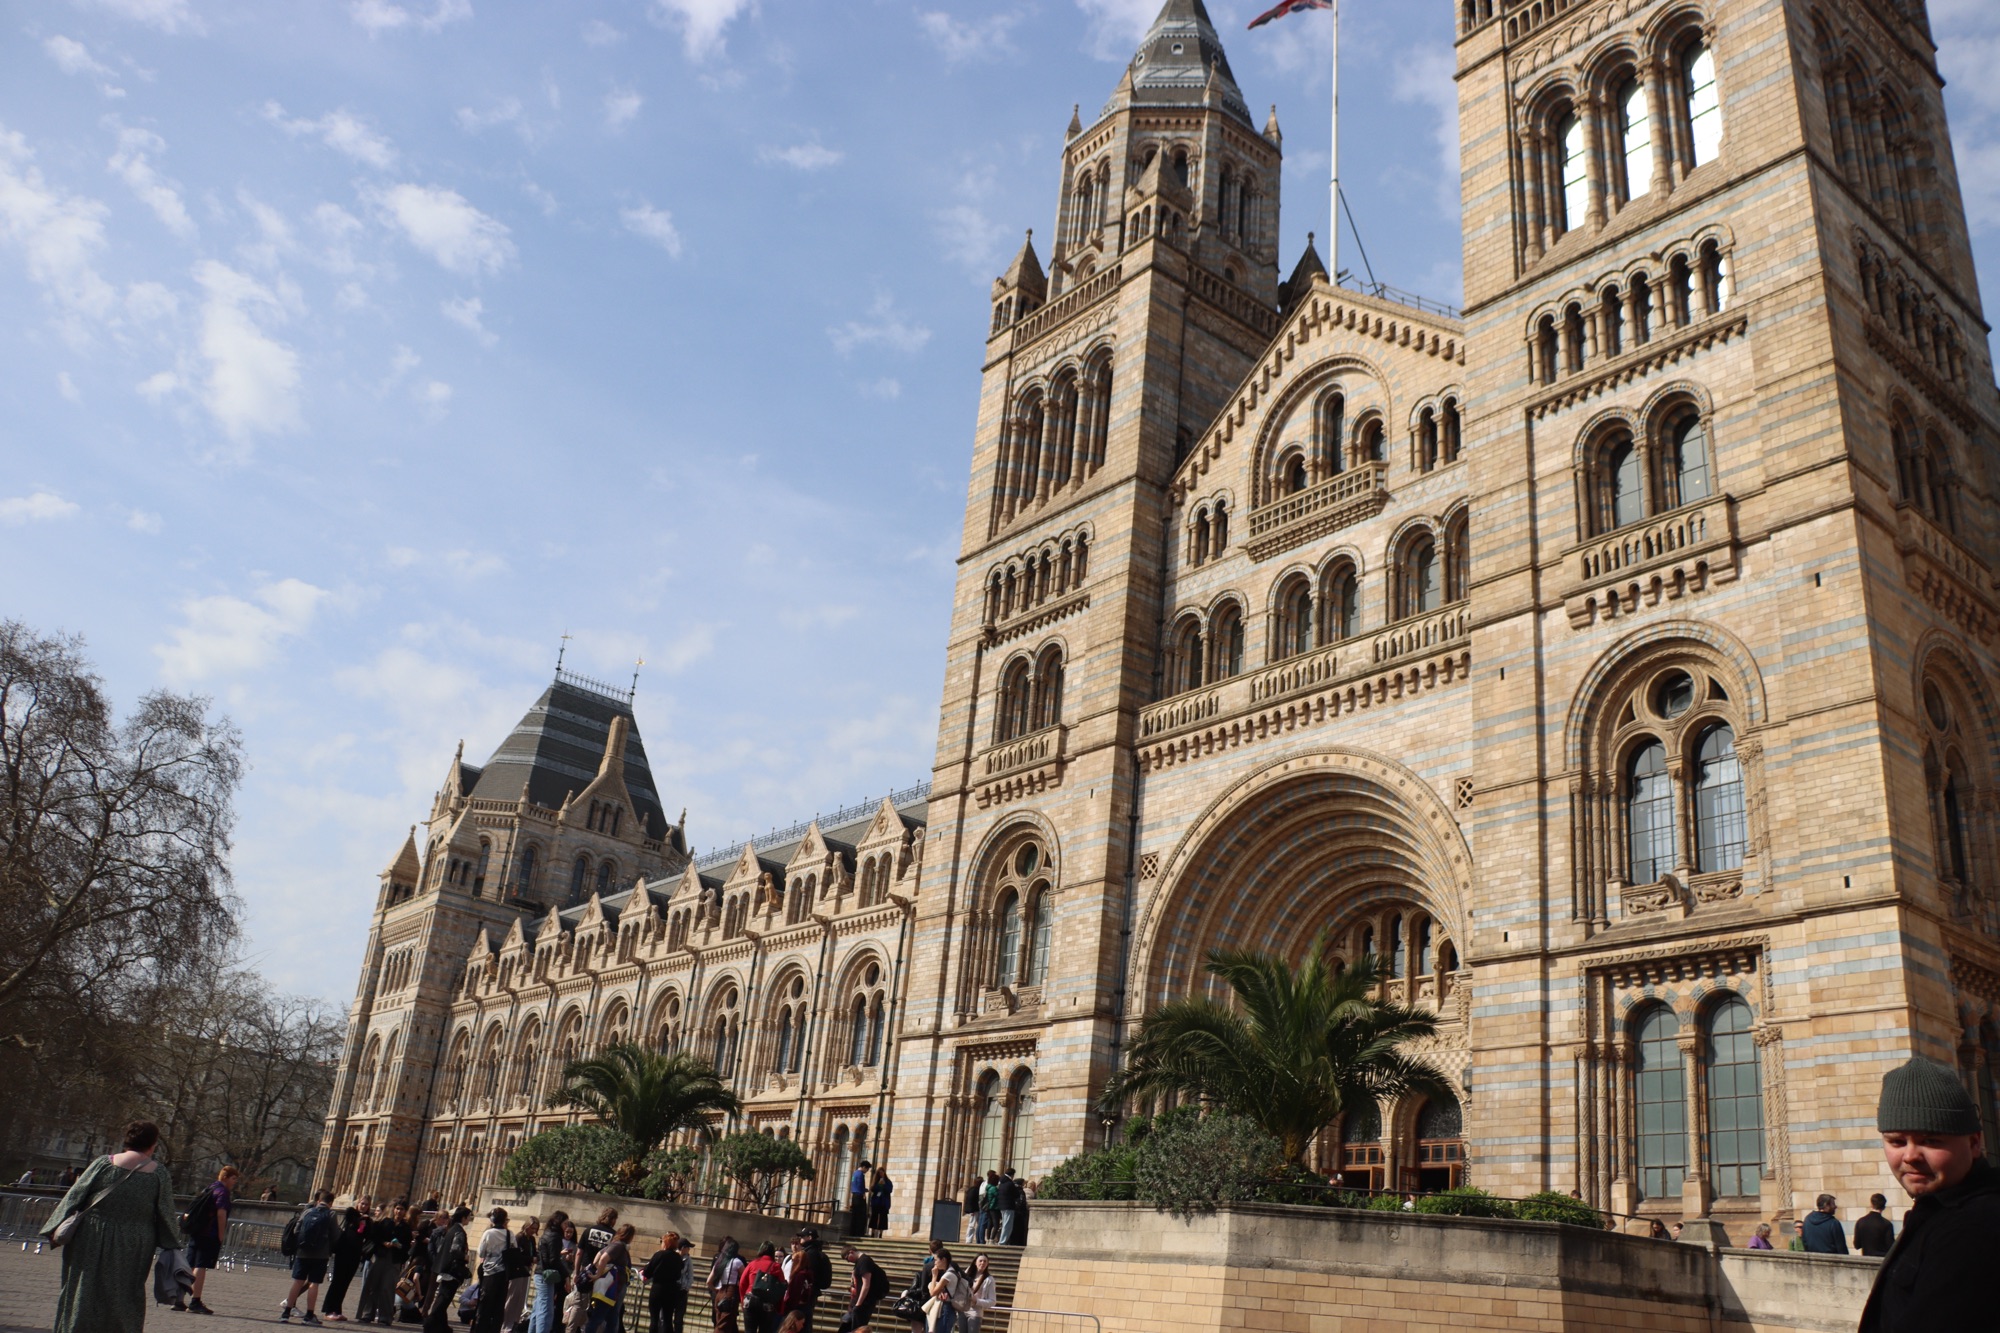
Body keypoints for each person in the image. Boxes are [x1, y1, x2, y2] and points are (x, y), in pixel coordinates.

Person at [1860, 1054, 2000, 1331]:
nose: (1910, 1155)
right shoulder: (1938, 1211)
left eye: (1931, 1140)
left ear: (1974, 1143)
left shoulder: (1975, 1228)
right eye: (1897, 1141)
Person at [39, 1119, 181, 1333]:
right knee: (125, 1292)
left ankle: (76, 1326)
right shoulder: (158, 1174)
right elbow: (166, 1214)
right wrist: (172, 1244)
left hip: (92, 1234)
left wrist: (54, 1228)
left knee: (82, 1287)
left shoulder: (103, 1164)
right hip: (134, 1242)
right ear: (153, 1144)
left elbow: (74, 1196)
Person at [177, 1162, 238, 1315]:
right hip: (209, 1233)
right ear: (226, 1178)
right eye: (233, 1179)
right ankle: (195, 1301)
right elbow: (221, 1214)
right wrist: (221, 1235)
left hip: (197, 1231)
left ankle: (178, 1299)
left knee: (190, 1265)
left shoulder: (209, 1188)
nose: (234, 1183)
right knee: (201, 1266)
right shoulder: (222, 1192)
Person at [285, 1189, 340, 1324]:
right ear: (331, 1203)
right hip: (320, 1255)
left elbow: (296, 1230)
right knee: (314, 1283)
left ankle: (286, 1312)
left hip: (302, 1253)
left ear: (318, 1201)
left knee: (297, 1282)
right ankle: (309, 1315)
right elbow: (335, 1236)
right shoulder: (331, 1214)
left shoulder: (308, 1211)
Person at [357, 1199, 411, 1326]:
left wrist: (399, 1247)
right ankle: (367, 1314)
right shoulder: (385, 1222)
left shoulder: (406, 1228)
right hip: (380, 1255)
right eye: (397, 1208)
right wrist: (383, 1243)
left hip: (394, 1259)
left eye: (402, 1209)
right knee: (372, 1285)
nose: (399, 1211)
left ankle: (385, 1317)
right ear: (394, 1209)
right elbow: (374, 1236)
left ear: (405, 1212)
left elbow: (407, 1247)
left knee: (388, 1288)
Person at [325, 1194, 375, 1321]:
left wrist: (367, 1222)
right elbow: (351, 1220)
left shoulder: (368, 1221)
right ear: (358, 1203)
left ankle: (337, 1309)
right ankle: (329, 1309)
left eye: (366, 1204)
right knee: (337, 1281)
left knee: (345, 1283)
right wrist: (361, 1219)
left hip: (355, 1253)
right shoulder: (351, 1212)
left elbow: (369, 1235)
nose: (363, 1206)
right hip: (343, 1251)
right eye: (362, 1203)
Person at [424, 1206, 474, 1333]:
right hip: (452, 1270)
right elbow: (455, 1250)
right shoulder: (458, 1231)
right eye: (468, 1216)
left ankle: (442, 1326)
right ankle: (430, 1323)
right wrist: (465, 1257)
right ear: (463, 1217)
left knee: (442, 1298)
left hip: (444, 1268)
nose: (469, 1219)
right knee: (443, 1299)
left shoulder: (451, 1229)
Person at [584, 1224, 635, 1333]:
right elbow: (603, 1258)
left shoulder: (614, 1244)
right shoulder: (619, 1246)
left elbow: (599, 1254)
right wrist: (597, 1274)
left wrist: (595, 1268)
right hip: (610, 1287)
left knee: (612, 1319)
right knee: (598, 1317)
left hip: (613, 1287)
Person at [472, 1207, 514, 1333]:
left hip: (490, 1272)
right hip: (504, 1273)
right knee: (499, 1306)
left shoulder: (488, 1233)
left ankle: (481, 1329)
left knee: (485, 1305)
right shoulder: (509, 1234)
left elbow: (481, 1252)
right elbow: (514, 1250)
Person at [530, 1210, 570, 1333]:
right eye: (565, 1223)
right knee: (546, 1310)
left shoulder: (547, 1233)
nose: (566, 1225)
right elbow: (554, 1260)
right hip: (546, 1274)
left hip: (540, 1273)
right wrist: (566, 1275)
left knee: (538, 1308)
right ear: (559, 1222)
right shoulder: (555, 1236)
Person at [739, 1241, 785, 1333]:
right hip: (767, 1303)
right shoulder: (775, 1266)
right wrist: (779, 1307)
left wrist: (742, 1300)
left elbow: (742, 1283)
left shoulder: (752, 1264)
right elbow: (781, 1287)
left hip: (750, 1300)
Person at [840, 1243, 886, 1333]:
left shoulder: (865, 1261)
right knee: (847, 1326)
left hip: (864, 1303)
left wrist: (858, 1304)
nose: (848, 1261)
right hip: (858, 1303)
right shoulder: (859, 1262)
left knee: (857, 1328)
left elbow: (866, 1284)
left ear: (851, 1252)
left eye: (847, 1258)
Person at [645, 1231, 685, 1333]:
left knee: (654, 1319)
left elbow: (647, 1272)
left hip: (658, 1288)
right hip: (672, 1289)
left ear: (665, 1243)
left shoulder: (659, 1255)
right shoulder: (678, 1258)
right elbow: (679, 1273)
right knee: (668, 1319)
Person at [709, 1237, 744, 1333]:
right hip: (730, 1292)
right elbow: (744, 1279)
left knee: (721, 1321)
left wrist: (715, 1290)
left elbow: (709, 1281)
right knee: (723, 1326)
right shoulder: (737, 1262)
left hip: (720, 1292)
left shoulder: (719, 1262)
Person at [961, 1255, 996, 1333]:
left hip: (975, 1312)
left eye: (985, 1261)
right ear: (975, 1262)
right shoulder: (967, 1273)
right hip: (962, 1309)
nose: (982, 1263)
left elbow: (992, 1301)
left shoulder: (989, 1279)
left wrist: (977, 1301)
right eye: (980, 1261)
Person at [1854, 1192, 1895, 1258]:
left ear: (1871, 1205)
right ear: (1884, 1207)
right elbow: (1891, 1247)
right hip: (1882, 1260)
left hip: (1866, 1260)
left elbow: (1857, 1245)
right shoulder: (1887, 1224)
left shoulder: (1860, 1222)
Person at [993, 1172, 1022, 1247]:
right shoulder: (1010, 1183)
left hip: (1002, 1206)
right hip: (1009, 1206)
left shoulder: (1001, 1183)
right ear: (1011, 1175)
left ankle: (1002, 1240)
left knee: (1004, 1224)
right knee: (1007, 1224)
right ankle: (1002, 1241)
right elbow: (1016, 1194)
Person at [868, 1169, 893, 1239]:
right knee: (874, 1216)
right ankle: (873, 1232)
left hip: (884, 1202)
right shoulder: (875, 1181)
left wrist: (884, 1184)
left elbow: (889, 1190)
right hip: (876, 1201)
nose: (881, 1174)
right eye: (879, 1173)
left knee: (883, 1218)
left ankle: (880, 1233)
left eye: (882, 1173)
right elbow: (872, 1189)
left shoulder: (888, 1182)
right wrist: (878, 1184)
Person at [849, 1161, 871, 1234]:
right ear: (864, 1167)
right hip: (859, 1196)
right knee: (860, 1215)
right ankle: (859, 1232)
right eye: (867, 1169)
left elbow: (854, 1183)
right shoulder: (861, 1174)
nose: (867, 1171)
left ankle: (853, 1231)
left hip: (854, 1195)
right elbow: (860, 1185)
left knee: (854, 1214)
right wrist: (865, 1190)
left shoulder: (855, 1173)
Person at [959, 1180, 981, 1244]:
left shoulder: (971, 1190)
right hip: (974, 1210)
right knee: (972, 1225)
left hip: (973, 1210)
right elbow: (972, 1201)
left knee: (974, 1224)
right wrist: (972, 1210)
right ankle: (969, 1239)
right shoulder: (975, 1190)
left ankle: (971, 1239)